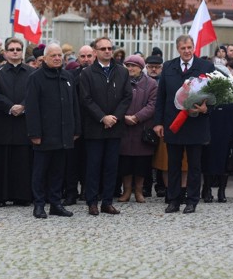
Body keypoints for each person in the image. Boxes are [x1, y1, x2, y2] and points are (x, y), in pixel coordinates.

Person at [153, 34, 214, 214]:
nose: (187, 51)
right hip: (174, 123)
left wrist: (206, 108)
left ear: (193, 47)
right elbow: (161, 97)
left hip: (196, 123)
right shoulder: (169, 67)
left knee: (194, 165)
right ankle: (173, 199)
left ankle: (192, 200)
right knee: (173, 165)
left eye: (189, 47)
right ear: (177, 49)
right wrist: (158, 123)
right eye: (183, 48)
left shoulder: (205, 67)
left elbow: (215, 95)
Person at [25, 43, 81, 219]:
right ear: (45, 58)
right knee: (40, 172)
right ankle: (39, 205)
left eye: (59, 55)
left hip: (64, 133)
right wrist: (34, 133)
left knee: (58, 171)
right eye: (53, 55)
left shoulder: (67, 76)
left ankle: (56, 204)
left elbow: (74, 105)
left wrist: (76, 128)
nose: (57, 58)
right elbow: (32, 108)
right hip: (44, 134)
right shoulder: (36, 78)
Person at [80, 37, 132, 216]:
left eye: (110, 48)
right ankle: (92, 201)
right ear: (95, 52)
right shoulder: (87, 73)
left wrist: (115, 117)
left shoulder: (122, 71)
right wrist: (102, 117)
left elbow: (127, 96)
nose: (107, 51)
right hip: (95, 127)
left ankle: (107, 202)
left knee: (111, 166)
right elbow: (86, 100)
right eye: (103, 49)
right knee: (93, 166)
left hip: (115, 127)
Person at [0, 38, 35, 207]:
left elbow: (34, 93)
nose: (15, 52)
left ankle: (22, 196)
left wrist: (23, 106)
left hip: (24, 122)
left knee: (22, 160)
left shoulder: (31, 72)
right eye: (12, 49)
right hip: (4, 121)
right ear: (6, 52)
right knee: (2, 159)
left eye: (18, 49)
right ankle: (1, 196)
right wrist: (10, 107)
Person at [202, 65, 233, 203]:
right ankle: (207, 189)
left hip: (228, 132)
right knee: (207, 161)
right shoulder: (207, 89)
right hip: (209, 130)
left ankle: (222, 191)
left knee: (225, 163)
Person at [117, 55, 157, 203]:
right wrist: (124, 116)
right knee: (125, 163)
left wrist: (137, 117)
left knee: (141, 163)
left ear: (141, 67)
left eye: (134, 65)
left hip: (143, 128)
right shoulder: (120, 82)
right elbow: (115, 101)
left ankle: (139, 191)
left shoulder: (151, 84)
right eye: (128, 65)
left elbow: (153, 105)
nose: (131, 68)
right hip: (124, 127)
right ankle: (126, 191)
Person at [62, 45, 95, 205]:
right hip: (74, 124)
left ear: (94, 56)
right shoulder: (70, 75)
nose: (86, 59)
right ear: (78, 58)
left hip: (94, 123)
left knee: (90, 161)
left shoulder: (100, 74)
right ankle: (71, 192)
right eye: (83, 56)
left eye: (89, 56)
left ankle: (88, 192)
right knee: (71, 162)